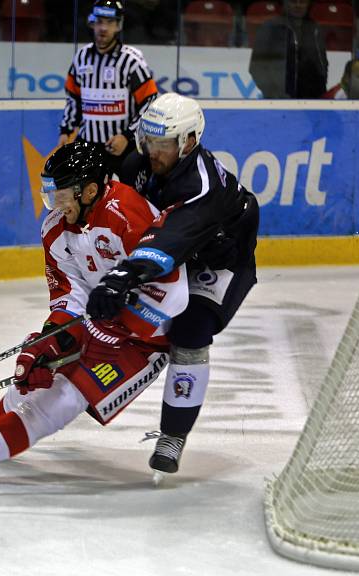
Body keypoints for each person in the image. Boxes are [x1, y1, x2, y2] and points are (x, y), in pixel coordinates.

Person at [0, 141, 189, 488]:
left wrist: (118, 326)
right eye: (51, 196)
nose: (55, 206)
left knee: (63, 400)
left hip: (144, 342)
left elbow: (174, 292)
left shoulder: (128, 214)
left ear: (89, 190)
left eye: (62, 195)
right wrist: (51, 340)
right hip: (98, 324)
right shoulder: (56, 228)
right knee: (32, 375)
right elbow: (70, 295)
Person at [97, 93, 259, 474]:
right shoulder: (142, 163)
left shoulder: (202, 185)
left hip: (220, 263)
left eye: (163, 143)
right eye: (148, 141)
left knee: (189, 331)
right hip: (180, 253)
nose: (152, 151)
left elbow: (171, 237)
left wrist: (126, 272)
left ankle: (174, 434)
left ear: (188, 141)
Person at [58, 0, 158, 176]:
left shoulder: (131, 60)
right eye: (99, 21)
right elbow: (73, 97)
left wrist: (127, 137)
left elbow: (150, 102)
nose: (103, 28)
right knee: (85, 197)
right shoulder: (81, 57)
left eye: (110, 22)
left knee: (128, 199)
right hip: (88, 144)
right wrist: (66, 130)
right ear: (92, 23)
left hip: (122, 147)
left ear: (118, 26)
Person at [249, 0, 328, 99]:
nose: (298, 5)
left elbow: (322, 65)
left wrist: (320, 94)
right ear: (285, 2)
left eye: (302, 1)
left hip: (311, 102)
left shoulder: (315, 29)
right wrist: (274, 94)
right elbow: (257, 67)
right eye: (293, 1)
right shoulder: (270, 27)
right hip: (278, 101)